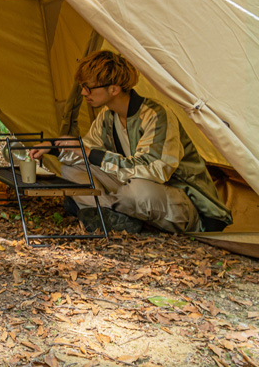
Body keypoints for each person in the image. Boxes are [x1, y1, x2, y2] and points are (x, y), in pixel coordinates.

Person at [30, 51, 232, 234]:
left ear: (114, 89)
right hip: (136, 190)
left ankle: (102, 210)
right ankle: (113, 216)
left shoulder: (157, 116)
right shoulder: (107, 117)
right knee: (71, 170)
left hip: (187, 205)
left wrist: (92, 154)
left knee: (136, 192)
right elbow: (84, 151)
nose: (84, 93)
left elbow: (155, 170)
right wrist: (53, 147)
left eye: (88, 88)